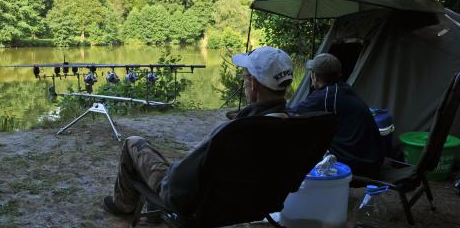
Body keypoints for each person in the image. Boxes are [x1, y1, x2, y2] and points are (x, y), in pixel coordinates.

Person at [103, 46, 294, 219]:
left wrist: (170, 176)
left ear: (253, 84)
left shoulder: (236, 132)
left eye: (244, 78)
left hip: (196, 203)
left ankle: (124, 206)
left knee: (133, 142)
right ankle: (152, 209)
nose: (244, 83)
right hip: (257, 201)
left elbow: (179, 178)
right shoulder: (297, 126)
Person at [289, 53, 383, 176]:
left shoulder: (325, 95)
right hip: (372, 159)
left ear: (315, 76)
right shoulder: (343, 88)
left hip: (359, 164)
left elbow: (290, 113)